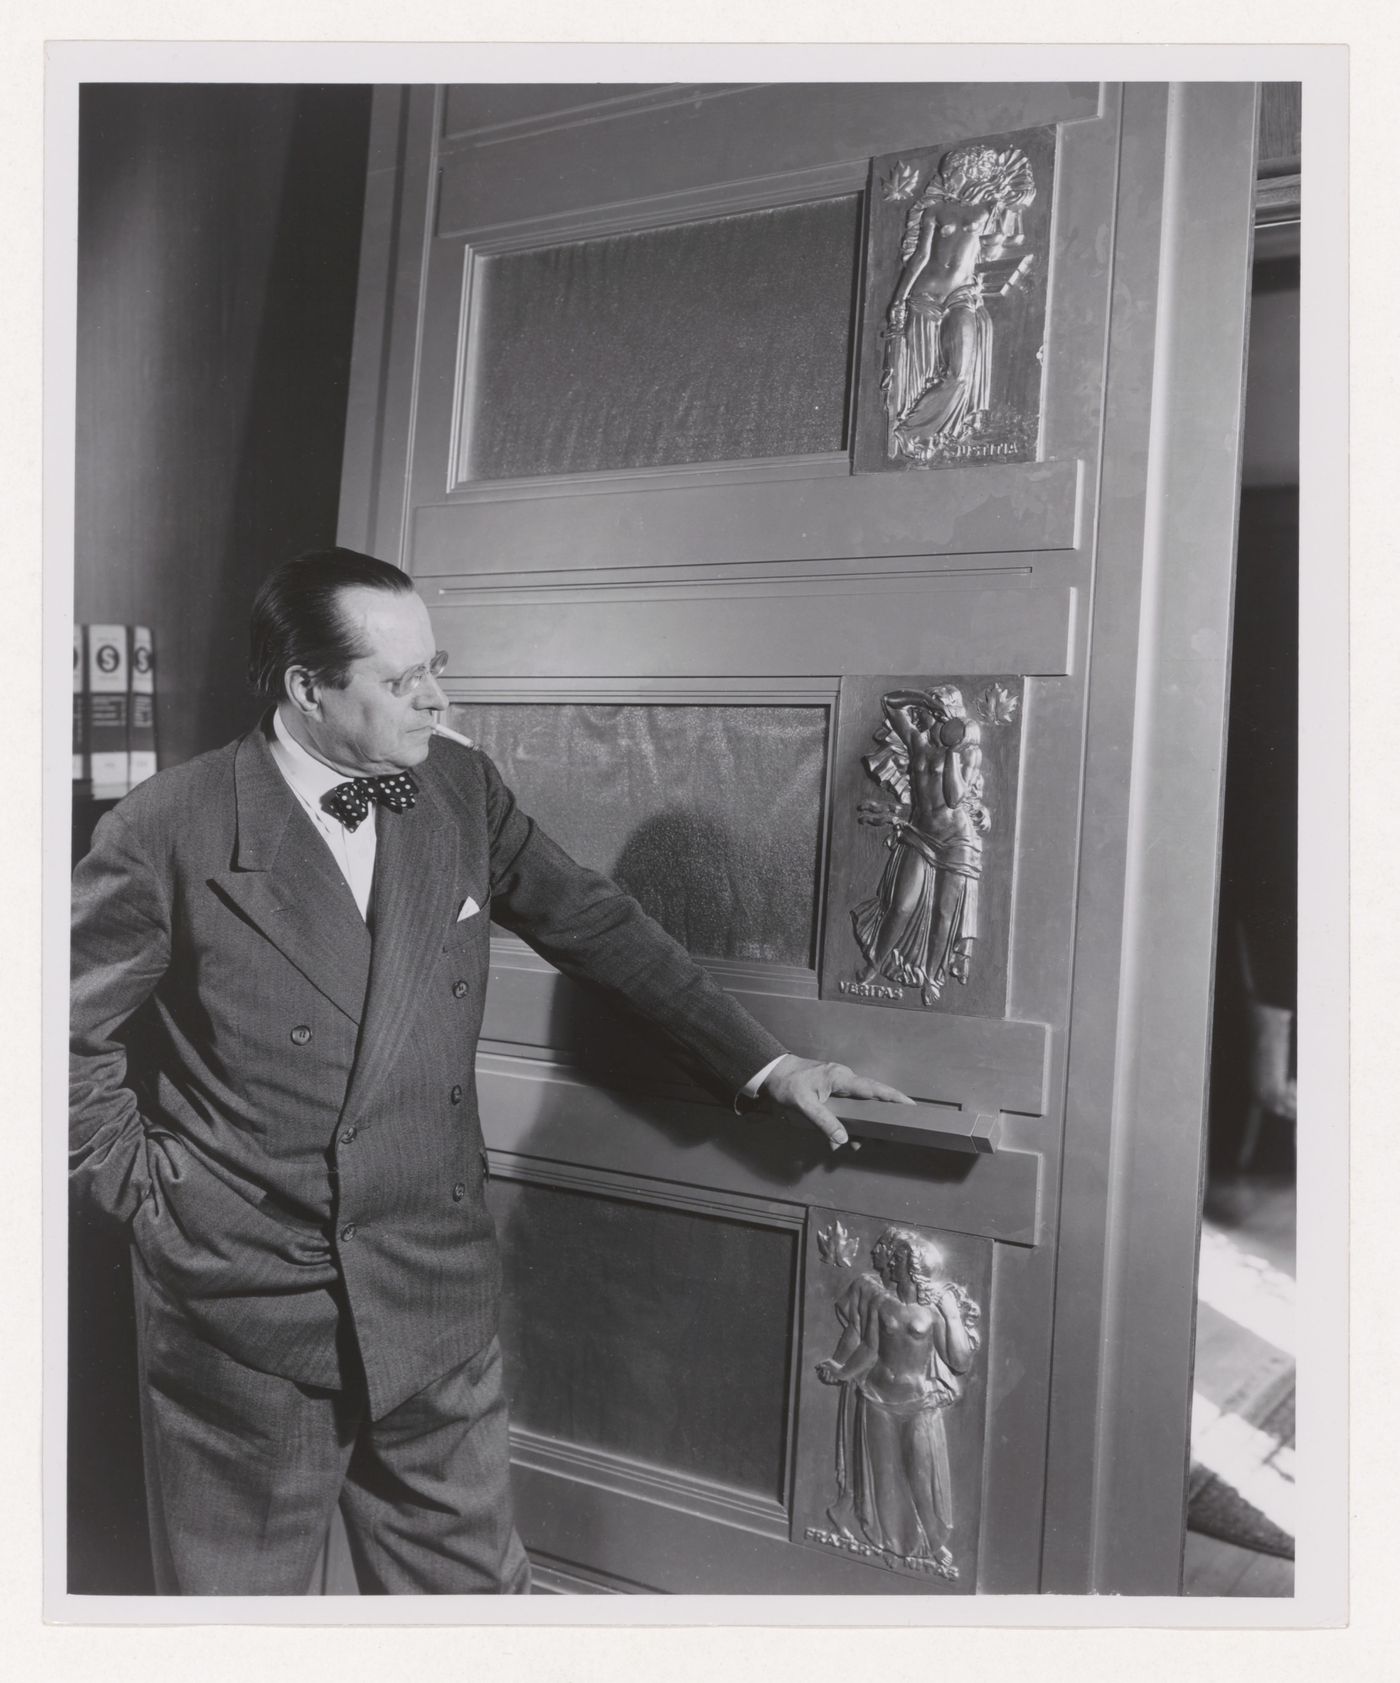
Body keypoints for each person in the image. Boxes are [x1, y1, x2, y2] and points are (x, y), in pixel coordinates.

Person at [70, 548, 910, 1596]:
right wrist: (158, 1200)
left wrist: (767, 1062)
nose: (438, 697)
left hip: (433, 1291)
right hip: (247, 1308)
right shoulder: (166, 829)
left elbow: (596, 928)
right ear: (305, 690)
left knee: (470, 1614)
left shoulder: (457, 787)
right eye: (400, 680)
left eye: (438, 665)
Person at [815, 1225, 980, 1573]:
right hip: (877, 1396)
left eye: (900, 1258)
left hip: (919, 1402)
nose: (892, 1263)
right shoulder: (881, 1302)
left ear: (910, 1262)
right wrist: (842, 1372)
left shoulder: (935, 1308)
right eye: (896, 1257)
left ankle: (933, 1541)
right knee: (884, 1474)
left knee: (922, 1477)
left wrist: (951, 1315)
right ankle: (890, 1543)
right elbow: (870, 1348)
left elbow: (961, 1361)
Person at [881, 142, 1035, 463]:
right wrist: (898, 298)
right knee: (920, 367)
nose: (946, 178)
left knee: (959, 373)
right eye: (945, 173)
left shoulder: (990, 209)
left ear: (969, 173)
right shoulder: (934, 211)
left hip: (961, 296)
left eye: (952, 172)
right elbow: (920, 257)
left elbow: (992, 251)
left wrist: (1003, 221)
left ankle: (913, 430)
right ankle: (912, 439)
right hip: (924, 294)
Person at [851, 686, 989, 1007]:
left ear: (951, 718)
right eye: (927, 710)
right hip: (920, 833)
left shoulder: (969, 752)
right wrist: (925, 701)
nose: (922, 716)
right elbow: (889, 703)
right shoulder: (917, 742)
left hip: (956, 841)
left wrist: (952, 749)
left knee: (943, 913)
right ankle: (875, 963)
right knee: (901, 905)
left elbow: (954, 797)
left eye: (932, 711)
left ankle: (932, 977)